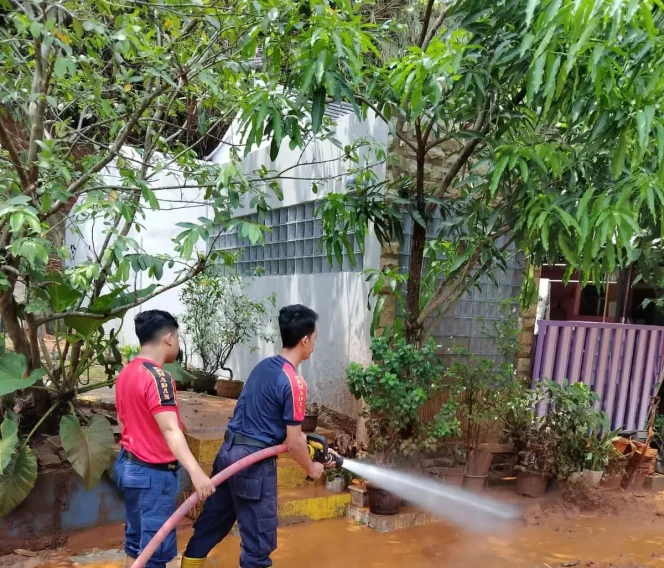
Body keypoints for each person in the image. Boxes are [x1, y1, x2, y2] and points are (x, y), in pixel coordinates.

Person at [181, 304, 327, 568]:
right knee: (258, 545)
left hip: (228, 455)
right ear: (304, 340)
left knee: (211, 524)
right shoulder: (294, 382)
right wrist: (311, 468)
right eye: (315, 338)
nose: (315, 343)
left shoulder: (263, 367)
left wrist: (309, 447)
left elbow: (269, 421)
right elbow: (294, 442)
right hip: (253, 466)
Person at [114, 310, 216, 568]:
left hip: (129, 467)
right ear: (168, 338)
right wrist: (196, 473)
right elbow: (171, 430)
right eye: (178, 337)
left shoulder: (127, 372)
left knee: (137, 545)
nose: (178, 343)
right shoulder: (159, 378)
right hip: (152, 476)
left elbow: (124, 420)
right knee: (155, 553)